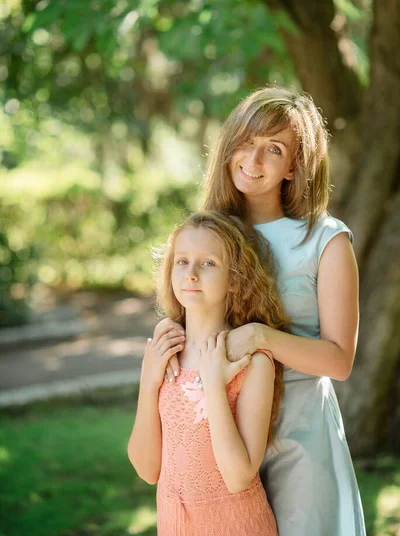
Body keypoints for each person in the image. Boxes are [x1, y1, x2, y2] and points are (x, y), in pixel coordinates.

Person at [156, 86, 366, 535]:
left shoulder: (325, 240)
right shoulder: (210, 232)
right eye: (246, 143)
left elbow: (340, 361)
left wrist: (260, 337)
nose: (254, 160)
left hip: (299, 439)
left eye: (274, 149)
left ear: (295, 166)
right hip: (219, 430)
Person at [128, 211, 290, 536]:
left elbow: (238, 476)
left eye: (208, 264)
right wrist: (149, 382)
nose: (191, 274)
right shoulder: (164, 353)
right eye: (182, 262)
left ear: (234, 279)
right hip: (173, 525)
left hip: (237, 525)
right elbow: (147, 470)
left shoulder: (252, 362)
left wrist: (214, 385)